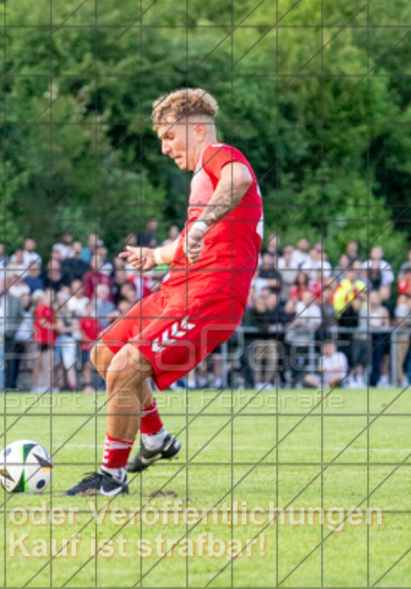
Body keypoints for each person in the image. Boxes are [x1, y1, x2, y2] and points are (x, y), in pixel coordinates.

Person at [66, 87, 263, 496]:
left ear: (197, 129)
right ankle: (154, 438)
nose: (164, 148)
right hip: (178, 286)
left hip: (210, 293)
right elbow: (188, 243)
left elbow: (240, 179)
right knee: (104, 353)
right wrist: (155, 255)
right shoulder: (203, 179)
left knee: (125, 368)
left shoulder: (220, 156)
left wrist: (202, 224)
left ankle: (110, 479)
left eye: (170, 136)